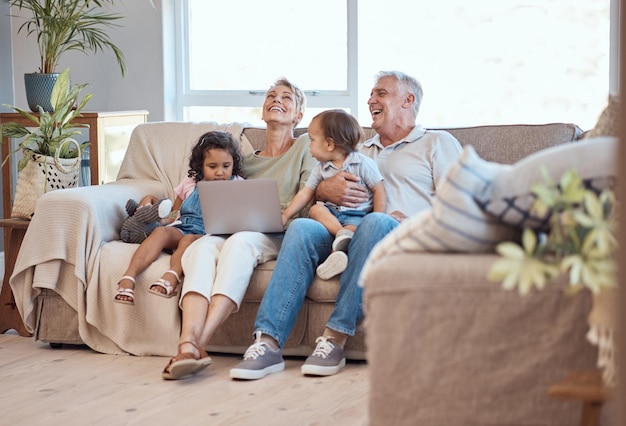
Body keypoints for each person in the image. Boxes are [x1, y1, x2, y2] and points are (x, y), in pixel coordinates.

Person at [230, 70, 464, 380]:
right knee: (301, 229)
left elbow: (463, 202)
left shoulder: (437, 142)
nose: (370, 100)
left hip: (399, 234)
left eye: (381, 93)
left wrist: (418, 221)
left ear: (408, 100)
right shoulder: (357, 150)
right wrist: (326, 190)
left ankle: (334, 339)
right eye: (371, 94)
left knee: (376, 222)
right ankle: (268, 343)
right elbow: (318, 189)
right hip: (345, 230)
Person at [161, 78, 317, 380]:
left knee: (241, 242)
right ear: (262, 112)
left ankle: (197, 344)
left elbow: (310, 190)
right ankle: (186, 343)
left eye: (287, 97)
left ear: (298, 116)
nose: (277, 99)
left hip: (281, 231)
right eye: (271, 95)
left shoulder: (304, 149)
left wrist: (283, 215)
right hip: (234, 230)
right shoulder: (242, 162)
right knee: (201, 248)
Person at [114, 131, 245, 305]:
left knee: (189, 239)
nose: (220, 172)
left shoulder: (237, 183)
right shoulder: (191, 181)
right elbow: (175, 213)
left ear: (233, 164)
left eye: (226, 166)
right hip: (183, 227)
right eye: (212, 167)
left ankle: (172, 275)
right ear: (201, 165)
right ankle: (129, 276)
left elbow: (240, 217)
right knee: (161, 232)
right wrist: (157, 216)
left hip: (208, 234)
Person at [280, 109, 386, 280]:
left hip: (356, 216)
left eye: (312, 140)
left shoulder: (363, 163)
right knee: (315, 210)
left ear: (329, 144)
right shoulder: (320, 168)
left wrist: (377, 219)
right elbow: (305, 193)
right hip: (330, 216)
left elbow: (379, 189)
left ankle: (335, 257)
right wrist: (285, 215)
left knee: (352, 231)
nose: (309, 145)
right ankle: (342, 235)